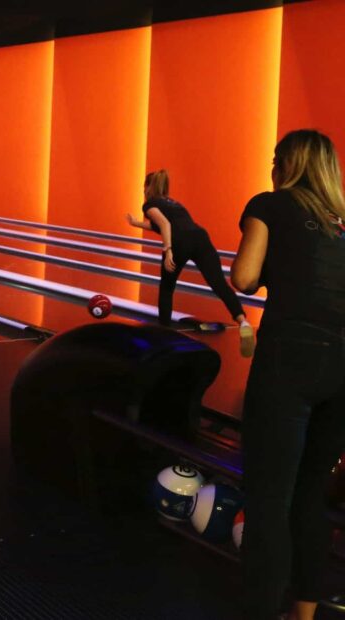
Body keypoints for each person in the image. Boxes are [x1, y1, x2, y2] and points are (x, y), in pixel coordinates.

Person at [231, 129, 345, 620]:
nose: (271, 165)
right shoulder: (343, 224)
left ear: (288, 165)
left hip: (289, 359)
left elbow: (243, 277)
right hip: (342, 368)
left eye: (276, 158)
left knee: (268, 499)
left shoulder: (270, 204)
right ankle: (303, 615)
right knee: (310, 495)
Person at [126, 170, 255, 356]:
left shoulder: (149, 204)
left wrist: (168, 249)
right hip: (200, 237)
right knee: (218, 283)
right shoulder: (174, 204)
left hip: (179, 241)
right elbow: (163, 224)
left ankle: (165, 332)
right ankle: (242, 321)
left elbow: (165, 225)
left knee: (167, 287)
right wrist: (137, 224)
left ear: (148, 187)